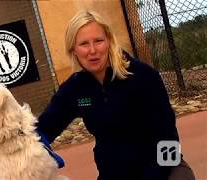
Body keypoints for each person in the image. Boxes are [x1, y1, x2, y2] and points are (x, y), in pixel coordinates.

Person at [36, 10, 191, 180]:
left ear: (109, 41)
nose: (92, 50)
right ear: (73, 49)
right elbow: (43, 129)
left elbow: (168, 138)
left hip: (164, 170)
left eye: (99, 41)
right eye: (84, 44)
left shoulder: (144, 76)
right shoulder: (75, 89)